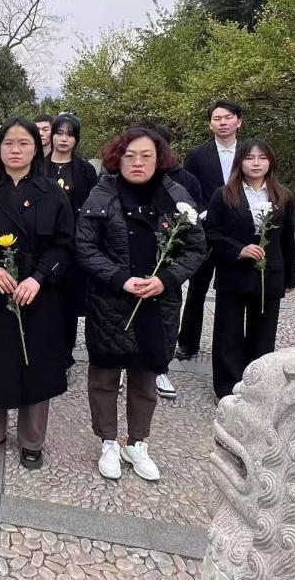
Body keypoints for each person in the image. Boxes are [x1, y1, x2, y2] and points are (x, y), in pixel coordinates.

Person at [76, 127, 205, 482]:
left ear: (158, 159)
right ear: (117, 158)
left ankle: (137, 442)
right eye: (130, 155)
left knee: (145, 376)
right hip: (111, 300)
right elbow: (85, 247)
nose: (137, 162)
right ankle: (108, 441)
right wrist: (120, 278)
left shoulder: (176, 196)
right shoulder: (102, 193)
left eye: (146, 156)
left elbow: (195, 247)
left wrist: (167, 278)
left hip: (157, 301)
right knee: (105, 375)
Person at [0, 118, 75, 470]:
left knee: (36, 363)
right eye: (9, 143)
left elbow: (64, 244)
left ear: (36, 148)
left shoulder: (52, 192)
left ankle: (32, 439)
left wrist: (39, 278)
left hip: (38, 294)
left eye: (24, 143)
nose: (15, 149)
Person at [205, 139, 295, 399]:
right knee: (228, 334)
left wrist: (289, 277)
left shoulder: (282, 195)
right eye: (250, 158)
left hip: (269, 274)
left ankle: (256, 386)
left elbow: (287, 238)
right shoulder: (224, 195)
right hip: (234, 274)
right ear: (240, 161)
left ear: (271, 162)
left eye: (262, 158)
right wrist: (239, 249)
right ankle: (227, 388)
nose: (256, 163)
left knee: (263, 335)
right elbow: (211, 233)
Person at [176, 100, 243, 361]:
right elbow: (188, 189)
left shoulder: (249, 154)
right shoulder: (197, 155)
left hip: (237, 232)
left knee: (234, 290)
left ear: (239, 121)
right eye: (217, 118)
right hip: (204, 230)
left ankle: (230, 345)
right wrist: (202, 212)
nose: (222, 122)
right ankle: (187, 342)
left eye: (228, 117)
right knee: (197, 288)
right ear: (210, 124)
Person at [143, 122, 204, 400]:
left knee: (165, 321)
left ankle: (160, 368)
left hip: (165, 271)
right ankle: (121, 368)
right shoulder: (114, 181)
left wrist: (171, 275)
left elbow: (195, 238)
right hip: (127, 268)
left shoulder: (184, 182)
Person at [44, 113, 99, 377]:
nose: (64, 139)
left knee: (67, 305)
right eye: (59, 133)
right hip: (43, 243)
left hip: (74, 246)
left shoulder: (85, 170)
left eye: (70, 134)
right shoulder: (38, 165)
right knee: (43, 300)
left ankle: (65, 356)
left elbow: (92, 208)